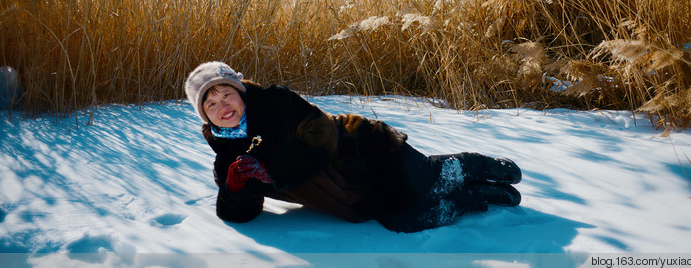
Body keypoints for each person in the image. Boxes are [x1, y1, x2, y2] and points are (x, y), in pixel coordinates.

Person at [185, 61, 522, 233]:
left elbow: (320, 136)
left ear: (240, 92)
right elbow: (239, 215)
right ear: (206, 115)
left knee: (425, 180)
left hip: (366, 150)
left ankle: (476, 166)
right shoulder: (229, 159)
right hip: (351, 199)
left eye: (226, 93)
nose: (222, 105)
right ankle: (476, 197)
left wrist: (275, 170)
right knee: (407, 219)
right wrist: (235, 186)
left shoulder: (277, 102)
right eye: (210, 103)